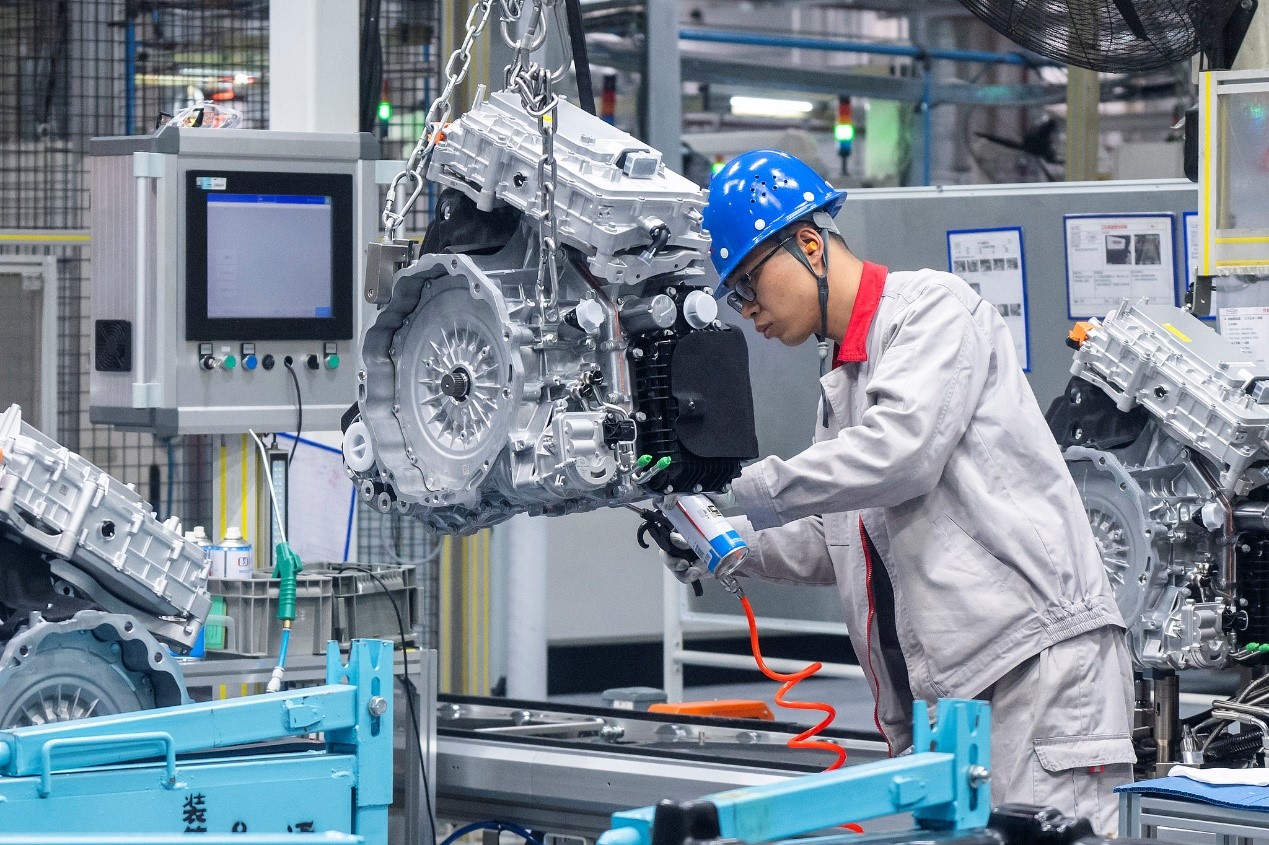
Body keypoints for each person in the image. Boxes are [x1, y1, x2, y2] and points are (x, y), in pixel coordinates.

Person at [694, 150, 1135, 833]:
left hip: (1035, 672)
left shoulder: (931, 309)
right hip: (954, 696)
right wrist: (718, 540)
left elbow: (901, 454)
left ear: (809, 243)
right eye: (734, 296)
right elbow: (833, 540)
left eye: (749, 282)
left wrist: (739, 484)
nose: (747, 309)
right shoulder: (841, 381)